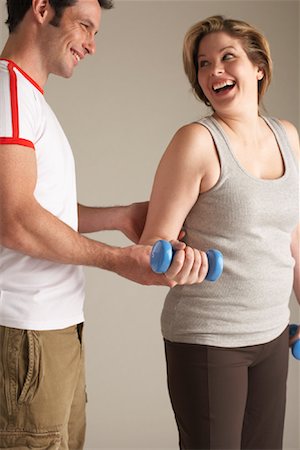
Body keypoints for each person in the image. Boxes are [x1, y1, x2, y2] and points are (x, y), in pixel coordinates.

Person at [0, 1, 206, 448]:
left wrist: (119, 217)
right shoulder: (7, 93)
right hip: (24, 337)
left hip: (55, 332)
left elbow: (38, 210)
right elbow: (14, 220)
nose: (92, 46)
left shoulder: (28, 99)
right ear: (41, 8)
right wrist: (117, 261)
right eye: (85, 27)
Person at [139, 15, 300, 450]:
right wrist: (174, 256)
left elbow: (293, 236)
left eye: (228, 58)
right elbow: (152, 247)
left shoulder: (288, 136)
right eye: (204, 64)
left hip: (271, 333)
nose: (214, 72)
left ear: (259, 67)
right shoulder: (196, 141)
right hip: (209, 340)